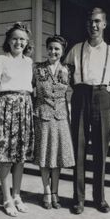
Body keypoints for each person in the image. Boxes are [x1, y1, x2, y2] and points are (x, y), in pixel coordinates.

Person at [64, 7, 110, 214]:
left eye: (97, 21)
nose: (93, 26)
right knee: (78, 151)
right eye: (90, 22)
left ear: (104, 24)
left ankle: (99, 199)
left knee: (100, 153)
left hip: (102, 97)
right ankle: (78, 199)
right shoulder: (76, 49)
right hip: (80, 96)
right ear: (86, 25)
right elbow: (63, 74)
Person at [0, 22, 34, 217]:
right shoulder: (0, 60)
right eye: (15, 38)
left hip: (25, 109)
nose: (19, 42)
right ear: (8, 40)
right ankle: (6, 198)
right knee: (5, 158)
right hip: (6, 110)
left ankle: (17, 195)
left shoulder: (29, 62)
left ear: (27, 42)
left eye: (22, 39)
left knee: (20, 158)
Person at [32, 35, 75, 209]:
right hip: (42, 116)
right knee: (44, 156)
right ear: (46, 49)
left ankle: (55, 192)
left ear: (62, 51)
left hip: (61, 117)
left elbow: (75, 91)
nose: (53, 51)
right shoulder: (37, 68)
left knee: (57, 157)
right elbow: (29, 89)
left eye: (57, 49)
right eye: (50, 48)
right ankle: (47, 191)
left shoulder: (68, 69)